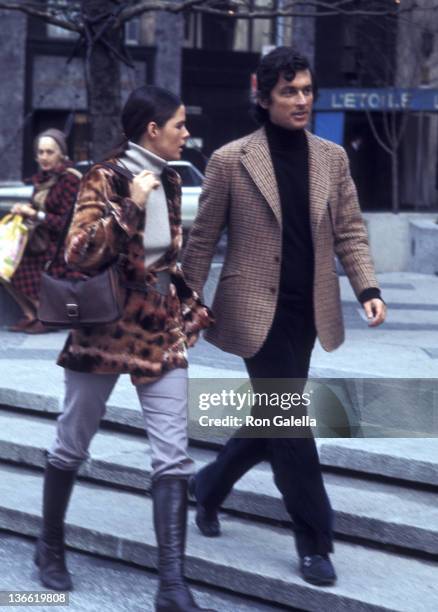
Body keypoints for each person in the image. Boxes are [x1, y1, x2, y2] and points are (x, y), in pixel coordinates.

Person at [182, 47, 386, 587]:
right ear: (264, 98)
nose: (301, 100)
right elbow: (202, 238)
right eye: (289, 92)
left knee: (275, 414)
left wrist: (367, 285)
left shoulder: (331, 158)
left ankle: (210, 483)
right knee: (291, 421)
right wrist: (185, 299)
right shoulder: (231, 160)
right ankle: (315, 539)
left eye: (306, 90)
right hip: (255, 311)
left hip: (308, 312)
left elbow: (350, 229)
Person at [35, 86, 215, 612]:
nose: (187, 132)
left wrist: (192, 307)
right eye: (179, 124)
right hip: (104, 331)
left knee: (172, 457)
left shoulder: (175, 178)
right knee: (73, 440)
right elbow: (79, 253)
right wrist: (129, 206)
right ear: (152, 129)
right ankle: (48, 545)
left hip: (158, 330)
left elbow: (162, 261)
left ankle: (172, 586)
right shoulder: (105, 177)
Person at [4, 129, 81, 333]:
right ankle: (30, 314)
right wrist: (21, 211)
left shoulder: (70, 179)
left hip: (61, 244)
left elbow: (67, 222)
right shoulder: (43, 179)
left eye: (49, 152)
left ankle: (44, 315)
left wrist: (34, 214)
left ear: (61, 154)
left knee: (18, 264)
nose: (44, 157)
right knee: (4, 264)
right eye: (40, 152)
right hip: (41, 239)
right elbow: (35, 209)